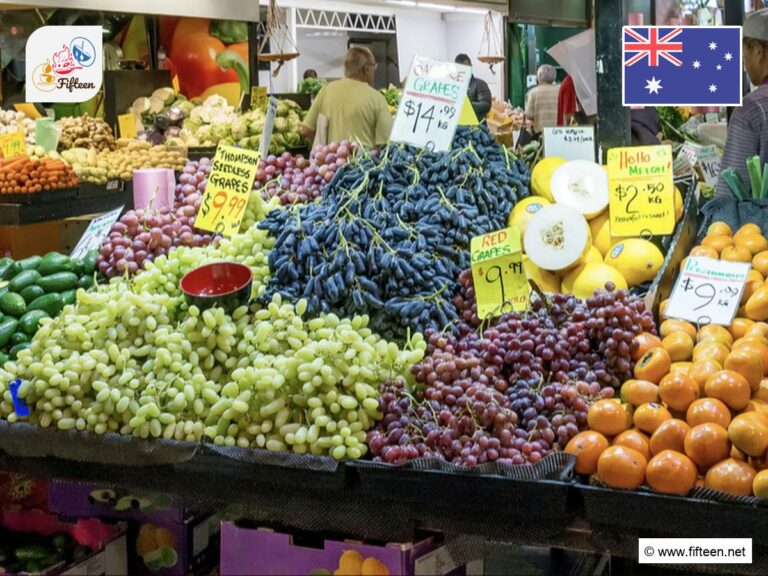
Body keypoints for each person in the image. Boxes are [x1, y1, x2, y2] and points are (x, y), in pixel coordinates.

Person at [717, 9, 768, 197]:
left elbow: (727, 198)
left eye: (744, 52)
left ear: (758, 51)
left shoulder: (752, 110)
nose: (744, 62)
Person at [302, 47, 392, 149]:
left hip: (330, 162)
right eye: (374, 67)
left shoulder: (326, 91)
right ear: (366, 69)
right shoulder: (377, 98)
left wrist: (322, 150)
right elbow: (385, 143)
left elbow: (306, 130)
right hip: (362, 163)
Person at [455, 54, 492, 120]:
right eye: (461, 68)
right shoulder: (454, 86)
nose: (464, 71)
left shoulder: (480, 84)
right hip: (457, 127)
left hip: (476, 127)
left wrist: (466, 106)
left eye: (466, 67)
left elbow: (486, 105)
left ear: (471, 67)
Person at [525, 64, 559, 134]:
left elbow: (529, 115)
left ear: (539, 77)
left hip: (541, 132)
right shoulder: (560, 90)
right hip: (559, 132)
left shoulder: (533, 92)